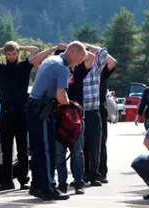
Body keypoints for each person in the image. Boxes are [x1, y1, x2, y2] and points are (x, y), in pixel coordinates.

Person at [0, 41, 64, 191]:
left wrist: (18, 46)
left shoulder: (23, 66)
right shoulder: (0, 68)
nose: (11, 56)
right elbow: (5, 53)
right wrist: (4, 48)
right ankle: (6, 181)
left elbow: (35, 50)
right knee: (6, 150)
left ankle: (23, 179)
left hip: (21, 113)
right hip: (6, 114)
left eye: (14, 54)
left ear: (18, 54)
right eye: (8, 54)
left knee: (22, 148)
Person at [26, 41, 87, 200]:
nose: (79, 63)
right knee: (47, 150)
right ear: (74, 52)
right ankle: (49, 188)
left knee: (38, 150)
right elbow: (61, 96)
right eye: (80, 59)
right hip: (43, 110)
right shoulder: (62, 68)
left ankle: (37, 185)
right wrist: (72, 106)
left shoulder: (50, 61)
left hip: (34, 108)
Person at [53, 47, 96, 195]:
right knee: (59, 153)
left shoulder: (77, 71)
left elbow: (91, 58)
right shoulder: (55, 71)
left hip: (76, 118)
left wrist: (75, 47)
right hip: (58, 118)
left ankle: (79, 182)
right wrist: (54, 49)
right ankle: (62, 184)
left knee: (77, 152)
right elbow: (38, 62)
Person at [82, 44, 114, 186]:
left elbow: (107, 56)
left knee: (98, 143)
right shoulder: (76, 68)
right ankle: (83, 173)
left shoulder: (98, 69)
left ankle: (98, 172)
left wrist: (87, 46)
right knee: (80, 145)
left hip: (97, 108)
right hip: (79, 110)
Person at [98, 58, 117, 184]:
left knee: (101, 142)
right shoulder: (79, 68)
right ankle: (84, 173)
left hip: (100, 110)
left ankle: (101, 172)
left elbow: (112, 62)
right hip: (81, 109)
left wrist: (91, 48)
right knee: (83, 145)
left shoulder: (101, 71)